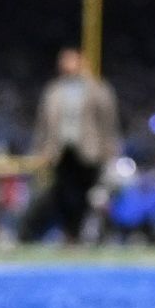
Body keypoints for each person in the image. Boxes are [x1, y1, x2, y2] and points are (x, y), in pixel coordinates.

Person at [24, 47, 119, 245]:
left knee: (84, 193)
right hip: (60, 150)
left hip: (88, 150)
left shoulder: (97, 89)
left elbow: (108, 122)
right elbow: (43, 123)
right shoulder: (54, 90)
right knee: (61, 193)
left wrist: (110, 150)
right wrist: (41, 148)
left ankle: (77, 232)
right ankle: (68, 232)